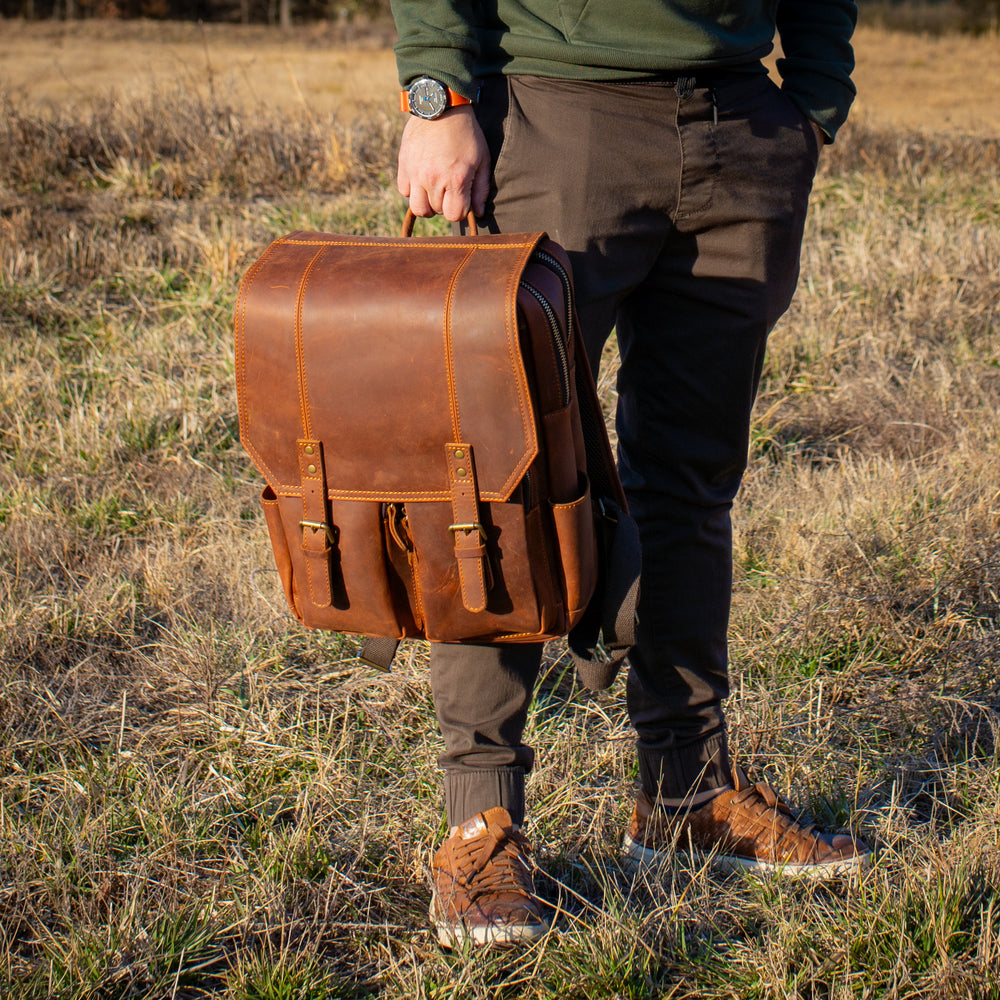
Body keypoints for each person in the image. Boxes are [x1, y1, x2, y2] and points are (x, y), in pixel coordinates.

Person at [389, 0, 870, 948]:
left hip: (745, 127)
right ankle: (480, 821)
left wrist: (812, 102)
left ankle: (686, 795)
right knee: (500, 485)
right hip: (557, 119)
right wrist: (436, 93)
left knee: (693, 482)